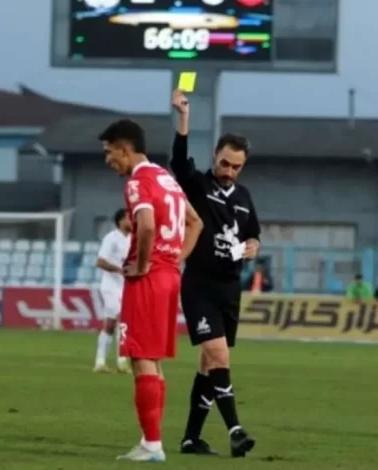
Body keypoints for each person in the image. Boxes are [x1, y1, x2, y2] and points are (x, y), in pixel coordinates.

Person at [98, 118, 203, 462]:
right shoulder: (166, 178)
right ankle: (151, 440)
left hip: (148, 278)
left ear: (124, 149)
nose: (108, 159)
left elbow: (145, 226)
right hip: (168, 276)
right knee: (152, 361)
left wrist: (143, 265)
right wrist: (175, 260)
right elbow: (195, 223)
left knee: (141, 358)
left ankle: (152, 445)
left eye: (109, 152)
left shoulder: (138, 182)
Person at [170, 89, 260, 457]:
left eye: (236, 167)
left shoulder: (244, 197)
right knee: (219, 357)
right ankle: (236, 430)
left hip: (229, 287)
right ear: (214, 157)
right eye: (225, 164)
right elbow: (178, 162)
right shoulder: (198, 185)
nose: (229, 171)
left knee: (210, 365)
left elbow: (253, 234)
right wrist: (183, 117)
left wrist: (253, 245)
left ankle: (191, 438)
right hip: (199, 285)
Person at [93, 208, 132, 373]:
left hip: (126, 287)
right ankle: (110, 361)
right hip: (110, 287)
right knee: (117, 319)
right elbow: (100, 262)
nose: (133, 220)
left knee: (116, 324)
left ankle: (111, 361)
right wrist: (119, 270)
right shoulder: (111, 238)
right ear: (121, 221)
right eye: (129, 217)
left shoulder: (134, 238)